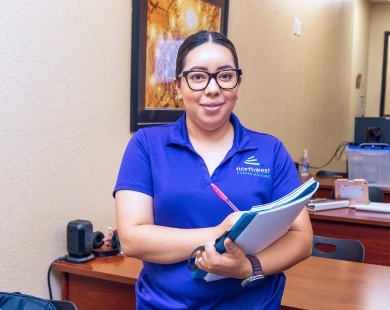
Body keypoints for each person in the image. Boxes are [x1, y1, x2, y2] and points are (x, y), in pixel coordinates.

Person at [113, 30, 313, 309]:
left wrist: (249, 268)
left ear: (238, 83)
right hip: (165, 304)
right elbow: (133, 239)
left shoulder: (271, 151)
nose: (212, 88)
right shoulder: (146, 146)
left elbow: (302, 238)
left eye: (225, 75)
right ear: (177, 86)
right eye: (197, 77)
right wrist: (219, 231)